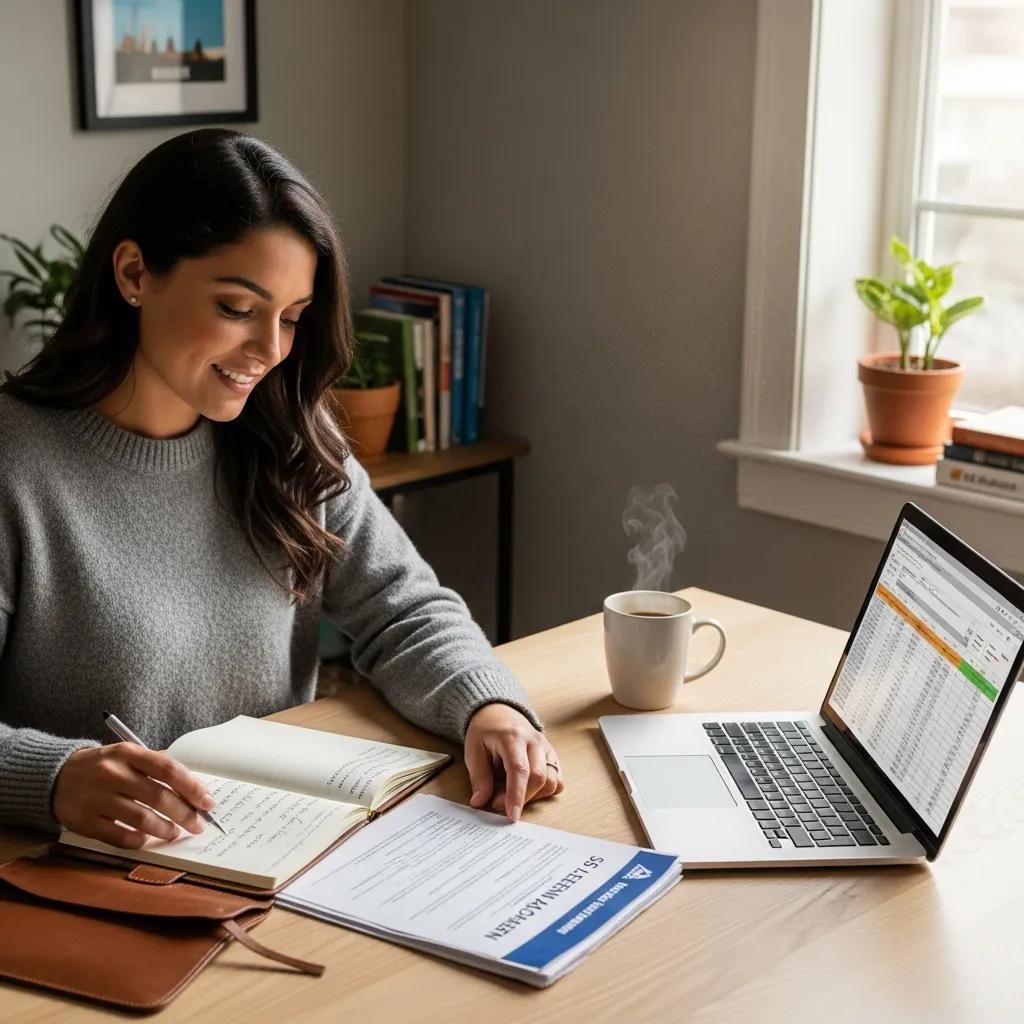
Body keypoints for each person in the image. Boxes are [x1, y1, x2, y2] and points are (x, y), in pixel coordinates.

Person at [0, 128, 563, 849]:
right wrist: (54, 777)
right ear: (135, 273)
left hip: (275, 856)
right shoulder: (15, 466)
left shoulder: (288, 442)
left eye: (292, 319)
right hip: (77, 880)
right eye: (238, 308)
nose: (271, 350)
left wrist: (487, 707)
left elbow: (405, 609)